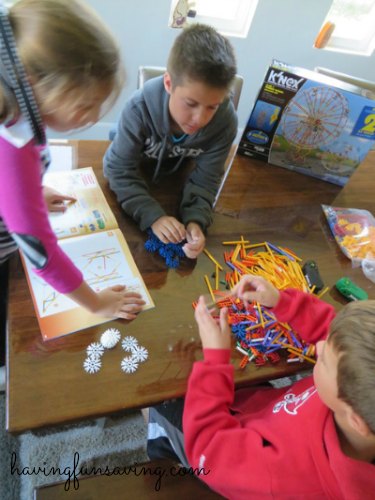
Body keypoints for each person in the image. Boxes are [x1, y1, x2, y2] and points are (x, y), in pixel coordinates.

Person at [0, 0, 145, 391]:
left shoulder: (14, 101)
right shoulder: (12, 148)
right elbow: (40, 252)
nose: (94, 117)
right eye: (86, 106)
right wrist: (98, 304)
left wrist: (28, 193)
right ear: (33, 83)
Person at [146, 275, 375, 498]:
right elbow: (338, 340)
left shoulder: (281, 477)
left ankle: (165, 458)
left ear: (356, 420)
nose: (320, 346)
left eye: (323, 360)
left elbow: (209, 451)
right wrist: (282, 302)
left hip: (216, 444)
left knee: (161, 401)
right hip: (265, 411)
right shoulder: (359, 399)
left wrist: (215, 361)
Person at [103, 23, 238, 259]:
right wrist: (152, 215)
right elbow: (117, 168)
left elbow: (208, 179)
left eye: (212, 107)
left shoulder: (226, 122)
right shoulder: (137, 110)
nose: (200, 118)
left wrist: (196, 219)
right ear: (168, 83)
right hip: (139, 168)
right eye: (191, 103)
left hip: (175, 174)